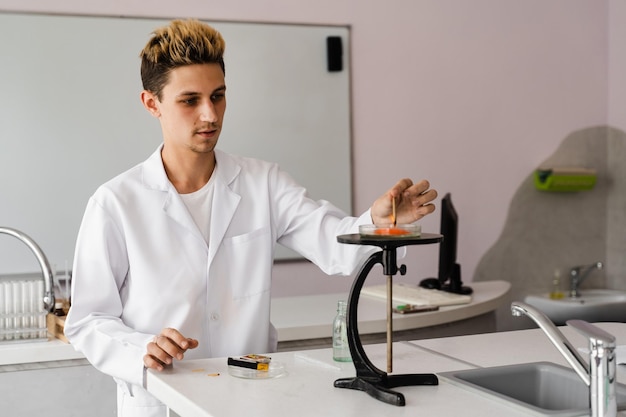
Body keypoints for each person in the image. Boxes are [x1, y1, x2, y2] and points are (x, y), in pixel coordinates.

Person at [64, 19, 437, 417]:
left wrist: (379, 223)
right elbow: (87, 321)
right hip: (163, 403)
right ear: (152, 103)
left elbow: (335, 247)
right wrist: (142, 348)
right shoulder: (116, 202)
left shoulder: (263, 183)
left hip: (252, 400)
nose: (209, 114)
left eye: (218, 96)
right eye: (190, 100)